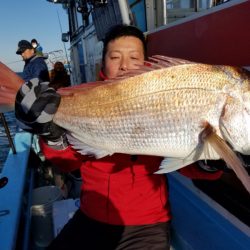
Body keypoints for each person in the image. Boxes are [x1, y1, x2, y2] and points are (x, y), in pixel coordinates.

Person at [15, 25, 223, 250]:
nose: (124, 65)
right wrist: (51, 134)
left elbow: (186, 163)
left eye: (134, 57)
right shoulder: (83, 97)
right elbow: (68, 161)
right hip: (90, 215)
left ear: (146, 64)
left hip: (148, 224)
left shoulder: (161, 99)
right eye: (115, 57)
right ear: (103, 62)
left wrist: (212, 160)